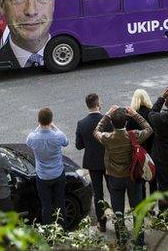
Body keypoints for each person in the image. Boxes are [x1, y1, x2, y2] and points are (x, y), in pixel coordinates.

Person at [94, 106, 153, 245]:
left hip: (115, 179)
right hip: (132, 177)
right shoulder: (133, 135)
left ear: (112, 123)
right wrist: (135, 114)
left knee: (118, 211)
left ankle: (121, 239)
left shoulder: (107, 138)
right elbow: (149, 129)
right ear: (126, 122)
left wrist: (106, 115)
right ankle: (139, 241)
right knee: (137, 210)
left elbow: (96, 131)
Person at [26, 107, 69, 225]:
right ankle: (62, 228)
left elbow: (28, 141)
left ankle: (48, 230)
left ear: (39, 121)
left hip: (42, 176)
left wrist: (40, 126)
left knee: (46, 206)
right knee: (60, 203)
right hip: (58, 173)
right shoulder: (58, 135)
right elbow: (66, 142)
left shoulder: (33, 137)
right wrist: (54, 127)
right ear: (51, 120)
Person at [75, 93, 108, 231]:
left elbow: (79, 145)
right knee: (113, 190)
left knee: (98, 193)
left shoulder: (81, 123)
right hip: (107, 161)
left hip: (92, 162)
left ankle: (102, 223)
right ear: (97, 103)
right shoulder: (106, 120)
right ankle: (119, 221)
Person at [127, 89, 156, 197]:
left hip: (139, 152)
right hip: (152, 149)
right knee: (153, 180)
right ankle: (153, 204)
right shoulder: (152, 113)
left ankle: (144, 203)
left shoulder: (131, 116)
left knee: (141, 178)